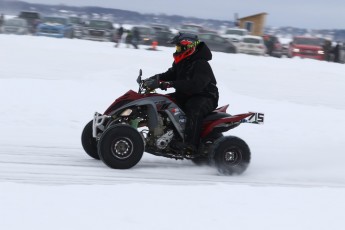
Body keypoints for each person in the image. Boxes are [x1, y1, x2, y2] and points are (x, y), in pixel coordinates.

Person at [146, 33, 219, 154]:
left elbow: (196, 85)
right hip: (186, 94)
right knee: (162, 102)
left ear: (188, 47)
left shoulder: (201, 63)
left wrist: (171, 84)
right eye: (176, 48)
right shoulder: (182, 62)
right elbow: (169, 74)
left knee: (193, 108)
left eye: (179, 47)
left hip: (205, 96)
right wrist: (152, 80)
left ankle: (190, 145)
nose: (177, 50)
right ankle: (167, 135)